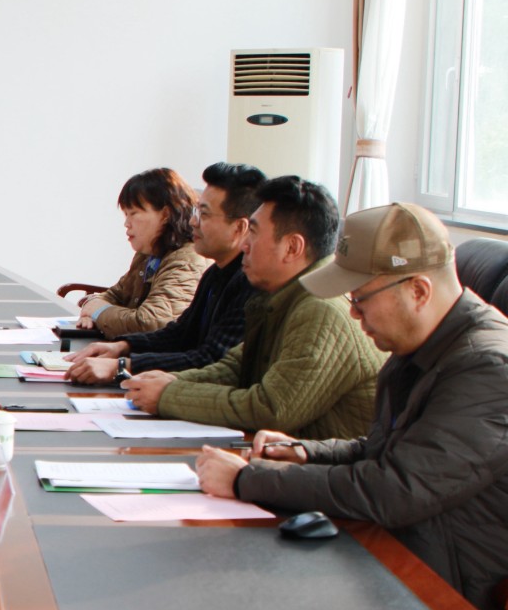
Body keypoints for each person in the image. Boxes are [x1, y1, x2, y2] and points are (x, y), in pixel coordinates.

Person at [195, 203, 508, 610]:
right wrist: (307, 452)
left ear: (418, 291)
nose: (354, 315)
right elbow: (387, 450)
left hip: (452, 603)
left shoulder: (487, 368)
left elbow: (396, 489)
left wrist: (245, 480)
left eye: (360, 299)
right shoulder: (421, 343)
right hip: (391, 554)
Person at [124, 176, 384, 439]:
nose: (245, 244)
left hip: (325, 461)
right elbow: (234, 368)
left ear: (292, 247)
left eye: (254, 232)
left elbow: (272, 408)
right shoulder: (282, 296)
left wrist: (170, 395)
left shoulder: (320, 308)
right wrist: (171, 382)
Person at [67, 162, 265, 383]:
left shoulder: (250, 283)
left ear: (239, 228)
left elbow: (211, 359)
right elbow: (180, 333)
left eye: (204, 214)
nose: (193, 221)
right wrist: (123, 346)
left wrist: (123, 365)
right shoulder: (216, 272)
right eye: (196, 211)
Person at [68, 168, 209, 337]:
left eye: (133, 213)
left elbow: (151, 323)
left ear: (165, 214)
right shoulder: (148, 254)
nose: (126, 223)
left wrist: (98, 312)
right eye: (125, 215)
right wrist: (92, 306)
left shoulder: (186, 260)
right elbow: (115, 294)